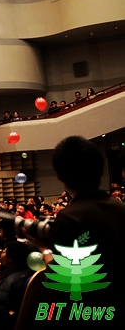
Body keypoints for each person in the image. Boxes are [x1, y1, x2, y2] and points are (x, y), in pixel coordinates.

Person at [26, 136, 125, 326]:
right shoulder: (121, 208)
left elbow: (63, 280)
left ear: (59, 176)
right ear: (100, 170)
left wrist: (44, 249)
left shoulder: (69, 218)